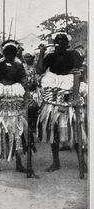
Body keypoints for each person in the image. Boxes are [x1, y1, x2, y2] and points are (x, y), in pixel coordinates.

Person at [36, 32, 87, 172]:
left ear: (67, 44)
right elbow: (39, 70)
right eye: (57, 42)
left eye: (62, 42)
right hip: (52, 99)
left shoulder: (74, 55)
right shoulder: (50, 57)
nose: (59, 44)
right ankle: (55, 162)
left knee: (76, 129)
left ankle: (82, 162)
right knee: (54, 130)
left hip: (72, 97)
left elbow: (81, 71)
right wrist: (41, 53)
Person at [0, 40, 28, 174]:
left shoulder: (20, 66)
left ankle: (19, 163)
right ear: (3, 52)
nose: (10, 54)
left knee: (18, 132)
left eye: (12, 52)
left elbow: (25, 83)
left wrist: (26, 101)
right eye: (7, 52)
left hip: (16, 104)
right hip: (1, 104)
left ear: (16, 52)